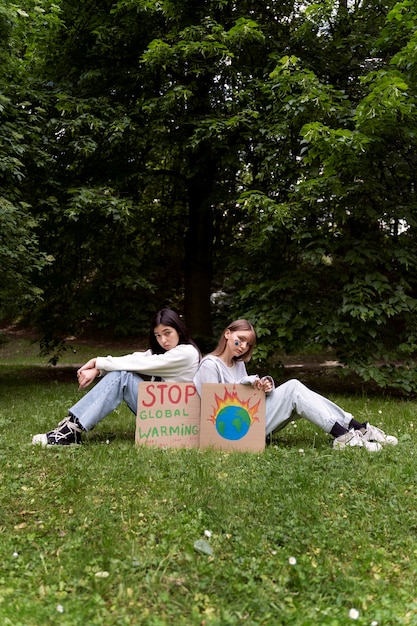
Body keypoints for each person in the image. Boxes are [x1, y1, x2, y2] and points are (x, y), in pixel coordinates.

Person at [193, 319, 398, 451]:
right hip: (233, 431)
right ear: (227, 334)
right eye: (240, 340)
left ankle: (357, 428)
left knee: (295, 388)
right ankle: (343, 435)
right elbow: (214, 409)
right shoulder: (210, 365)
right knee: (293, 389)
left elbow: (245, 395)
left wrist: (263, 386)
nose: (243, 347)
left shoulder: (237, 364)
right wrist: (246, 384)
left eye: (248, 344)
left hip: (247, 418)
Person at [32, 308, 201, 446]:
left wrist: (97, 362)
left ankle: (70, 430)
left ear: (178, 330)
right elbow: (136, 358)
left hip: (177, 422)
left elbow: (140, 365)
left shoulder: (186, 353)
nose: (163, 340)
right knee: (123, 374)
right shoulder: (165, 353)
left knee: (124, 376)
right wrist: (99, 370)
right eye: (157, 335)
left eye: (167, 333)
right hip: (163, 415)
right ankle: (71, 427)